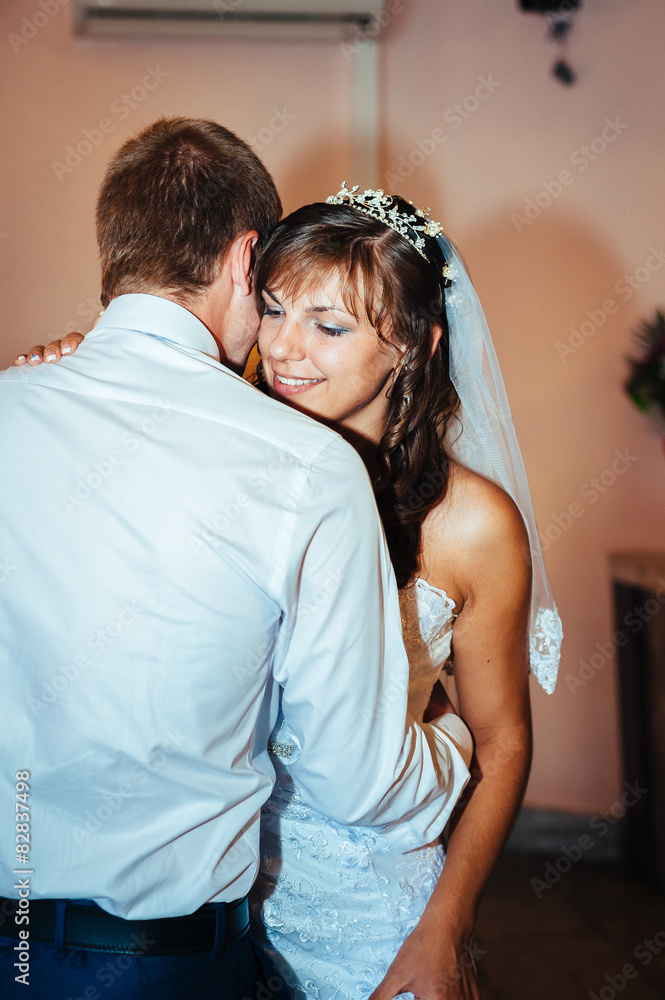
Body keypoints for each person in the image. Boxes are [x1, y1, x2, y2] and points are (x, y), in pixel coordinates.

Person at [25, 184, 563, 999]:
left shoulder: (471, 526)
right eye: (272, 310)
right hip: (211, 909)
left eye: (329, 326)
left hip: (364, 917)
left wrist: (444, 930)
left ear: (414, 345)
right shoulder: (220, 455)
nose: (283, 349)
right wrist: (79, 364)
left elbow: (503, 742)